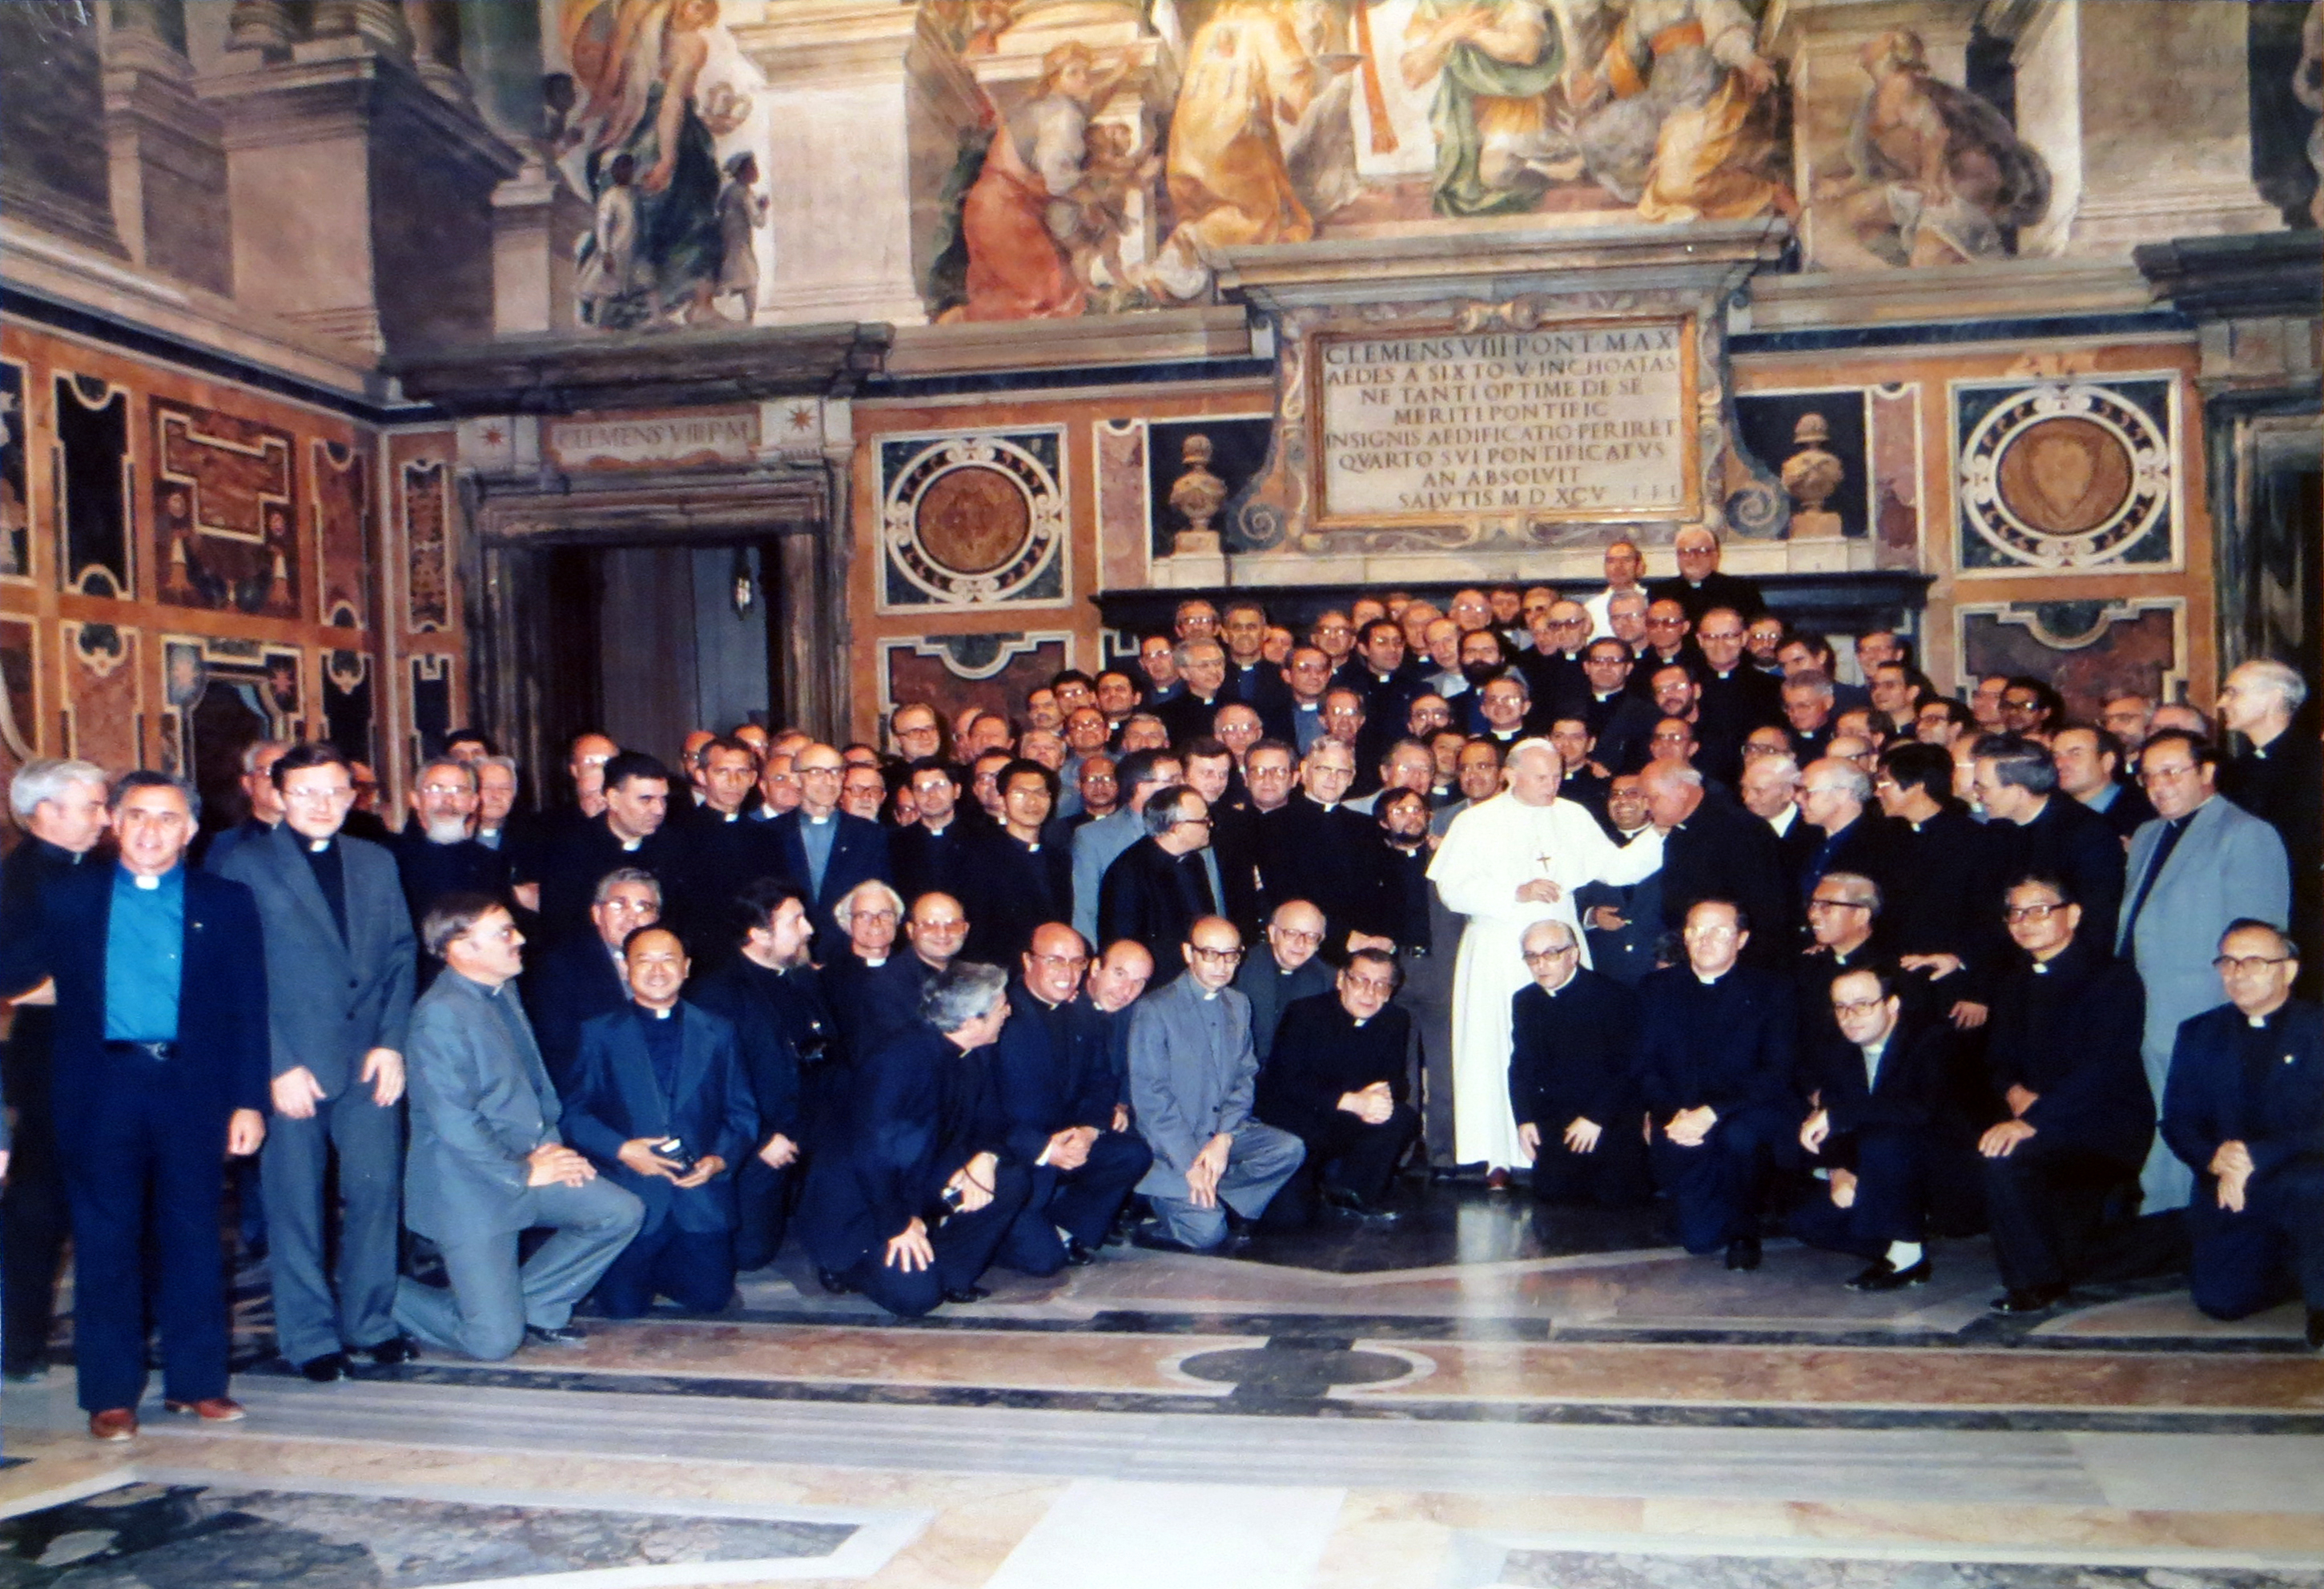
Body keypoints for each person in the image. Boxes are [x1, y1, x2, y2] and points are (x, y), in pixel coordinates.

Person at [0, 771, 268, 1440]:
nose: (151, 831)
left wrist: (247, 1102)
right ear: (115, 823)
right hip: (100, 1089)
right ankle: (110, 1394)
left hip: (191, 1089)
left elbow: (248, 1007)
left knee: (194, 1236)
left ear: (191, 830)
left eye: (168, 818)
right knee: (105, 1239)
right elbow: (10, 968)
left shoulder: (226, 900)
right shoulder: (70, 895)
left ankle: (197, 1384)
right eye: (138, 816)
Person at [214, 742, 417, 1384]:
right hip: (292, 1066)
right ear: (278, 795)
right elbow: (235, 978)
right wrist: (275, 1064)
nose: (322, 804)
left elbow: (401, 955)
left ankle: (370, 1323)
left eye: (335, 791)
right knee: (295, 1205)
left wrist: (391, 1042)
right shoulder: (244, 865)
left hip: (367, 1060)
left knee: (376, 1192)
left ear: (354, 795)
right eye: (305, 792)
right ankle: (308, 1337)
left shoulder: (375, 861)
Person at [392, 896, 645, 1359]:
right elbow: (454, 1122)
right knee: (492, 1342)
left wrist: (551, 1148)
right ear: (461, 948)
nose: (520, 939)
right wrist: (523, 1171)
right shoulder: (440, 1014)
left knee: (618, 1212)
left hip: (524, 1164)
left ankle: (533, 1305)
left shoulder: (500, 990)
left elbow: (534, 1090)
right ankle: (370, 1292)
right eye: (505, 933)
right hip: (469, 1188)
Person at [1430, 740, 1664, 1182]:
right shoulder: (1476, 821)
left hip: (1562, 941)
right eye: (1541, 777)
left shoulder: (1572, 815)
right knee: (1497, 1045)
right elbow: (1451, 890)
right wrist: (1514, 893)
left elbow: (1618, 869)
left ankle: (1562, 1149)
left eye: (1557, 776)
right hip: (1498, 945)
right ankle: (1497, 1154)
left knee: (1574, 1045)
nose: (1552, 785)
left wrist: (1663, 830)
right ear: (1511, 775)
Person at [2117, 729, 2292, 1211]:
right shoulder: (2149, 834)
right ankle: (2160, 1218)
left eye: (2171, 773)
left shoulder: (2246, 833)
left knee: (2193, 1121)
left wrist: (2237, 1010)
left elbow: (2260, 938)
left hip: (2202, 1008)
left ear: (2207, 772)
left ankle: (2179, 1220)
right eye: (2148, 776)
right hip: (2143, 1002)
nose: (2158, 786)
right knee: (2156, 1116)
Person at [798, 963, 1033, 1314]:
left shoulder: (974, 1052)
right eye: (1002, 1006)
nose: (1009, 1012)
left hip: (919, 1178)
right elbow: (871, 1156)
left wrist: (984, 1158)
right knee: (916, 1299)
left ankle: (950, 1276)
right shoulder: (899, 1061)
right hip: (863, 1204)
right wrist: (898, 1225)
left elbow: (992, 1119)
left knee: (1009, 1180)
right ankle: (845, 1268)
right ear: (972, 1022)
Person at [563, 926, 757, 1317]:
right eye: (644, 961)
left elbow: (743, 1113)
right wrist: (621, 1149)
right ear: (625, 969)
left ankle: (669, 1272)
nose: (657, 971)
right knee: (621, 1309)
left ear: (686, 968)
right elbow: (573, 1113)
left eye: (668, 960)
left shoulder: (718, 1031)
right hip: (631, 1194)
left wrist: (718, 1160)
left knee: (710, 1301)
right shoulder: (598, 1033)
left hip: (698, 1196)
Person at [1980, 875, 2153, 1314]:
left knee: (2005, 1157)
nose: (2024, 922)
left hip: (2102, 1127)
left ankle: (2036, 1285)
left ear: (2072, 915)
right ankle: (2047, 1269)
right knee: (2082, 1256)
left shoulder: (2111, 977)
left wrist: (2033, 1119)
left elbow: (2102, 1068)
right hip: (2039, 1121)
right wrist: (2013, 1092)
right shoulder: (2013, 980)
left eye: (2038, 910)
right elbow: (1998, 1057)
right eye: (2015, 913)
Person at [2160, 921, 2324, 1349]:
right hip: (2232, 1189)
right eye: (2228, 962)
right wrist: (2215, 1159)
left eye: (2254, 962)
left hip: (2305, 1181)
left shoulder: (2318, 1029)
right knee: (2221, 1302)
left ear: (2288, 970)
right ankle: (2291, 1269)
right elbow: (2177, 1121)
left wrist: (2258, 1155)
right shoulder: (2199, 1033)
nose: (2238, 973)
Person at [2, 758, 108, 1386]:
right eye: (92, 806)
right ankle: (20, 1345)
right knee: (39, 1209)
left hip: (97, 1056)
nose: (104, 818)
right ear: (45, 812)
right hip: (50, 1061)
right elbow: (16, 980)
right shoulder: (17, 880)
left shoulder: (92, 869)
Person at [1126, 916, 1305, 1251]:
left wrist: (1224, 1136)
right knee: (1207, 1235)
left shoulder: (1238, 1004)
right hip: (1172, 1148)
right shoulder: (1155, 1009)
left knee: (1287, 1149)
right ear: (1188, 953)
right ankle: (1158, 1215)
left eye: (1231, 955)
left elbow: (1245, 1076)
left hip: (1218, 1135)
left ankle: (1218, 1199)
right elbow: (1152, 1100)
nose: (1222, 965)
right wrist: (1190, 1164)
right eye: (1210, 954)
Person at [1636, 899, 1797, 1269]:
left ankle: (1745, 1228)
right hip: (1681, 1115)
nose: (1704, 940)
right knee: (1699, 1241)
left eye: (1718, 931)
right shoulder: (1656, 988)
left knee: (1739, 1137)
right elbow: (1643, 1066)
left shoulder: (1772, 989)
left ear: (1741, 939)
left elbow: (1777, 1071)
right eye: (1695, 930)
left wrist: (1712, 1112)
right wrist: (1671, 1113)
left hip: (1746, 1110)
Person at [988, 924, 1152, 1271]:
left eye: (1076, 962)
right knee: (1044, 1262)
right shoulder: (998, 1015)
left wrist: (1089, 1131)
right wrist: (1045, 1150)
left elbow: (1101, 1081)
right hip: (1017, 1157)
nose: (1067, 973)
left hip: (1067, 1142)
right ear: (1028, 961)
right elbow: (984, 1110)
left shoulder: (1081, 1013)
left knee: (1131, 1153)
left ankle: (1065, 1229)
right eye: (1055, 961)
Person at [690, 879, 830, 1271]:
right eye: (795, 921)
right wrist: (763, 1138)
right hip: (758, 1139)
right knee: (751, 1254)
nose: (809, 930)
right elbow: (710, 1086)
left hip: (810, 1128)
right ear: (759, 934)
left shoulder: (803, 979)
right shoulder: (717, 994)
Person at [1791, 965, 1952, 1290]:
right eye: (1841, 1007)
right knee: (1807, 1223)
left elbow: (1921, 1111)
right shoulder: (1839, 1049)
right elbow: (1834, 1120)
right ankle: (1905, 1240)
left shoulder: (1931, 1039)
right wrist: (1839, 1172)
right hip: (1875, 1166)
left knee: (1886, 1139)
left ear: (1892, 1005)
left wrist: (1837, 1114)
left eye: (1862, 1004)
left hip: (1938, 1164)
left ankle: (1906, 1253)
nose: (1850, 1017)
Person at [1257, 949, 1417, 1222]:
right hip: (1303, 1121)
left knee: (1401, 1118)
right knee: (1292, 1218)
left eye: (1381, 985)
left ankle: (1354, 1191)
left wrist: (1380, 1097)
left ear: (1390, 991)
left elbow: (1398, 1082)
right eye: (1361, 980)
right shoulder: (1304, 1013)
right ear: (1341, 980)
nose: (1369, 992)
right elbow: (1283, 1082)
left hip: (1353, 1119)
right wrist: (1351, 1101)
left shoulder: (1396, 1019)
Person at [1508, 919, 1648, 1206]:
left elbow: (1630, 1067)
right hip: (1561, 1118)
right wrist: (1525, 1119)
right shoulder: (1525, 1001)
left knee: (1617, 1200)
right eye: (1532, 957)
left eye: (1551, 954)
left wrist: (1596, 1117)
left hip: (1610, 1116)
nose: (1540, 965)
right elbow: (1521, 1066)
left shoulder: (1614, 996)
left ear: (1573, 954)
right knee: (1554, 1196)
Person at [1967, 734, 2126, 954]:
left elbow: (2097, 921)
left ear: (2018, 791)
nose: (1978, 796)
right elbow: (1983, 909)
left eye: (1983, 788)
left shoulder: (2087, 834)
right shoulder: (1997, 832)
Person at [1641, 761, 1794, 970]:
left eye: (1652, 798)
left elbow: (1764, 910)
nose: (1646, 806)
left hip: (1740, 963)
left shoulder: (1740, 830)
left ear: (1683, 791)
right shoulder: (1678, 833)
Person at [2217, 660, 2320, 964]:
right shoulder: (2232, 772)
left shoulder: (2315, 763)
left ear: (2275, 697)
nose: (2221, 703)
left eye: (2233, 693)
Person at [525, 868, 661, 1092]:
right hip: (594, 1092)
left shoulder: (668, 963)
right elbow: (558, 1050)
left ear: (655, 919)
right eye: (619, 905)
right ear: (597, 913)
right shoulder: (563, 967)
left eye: (643, 907)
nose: (632, 917)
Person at [529, 750, 686, 945]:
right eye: (646, 799)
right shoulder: (570, 849)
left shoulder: (676, 846)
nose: (659, 810)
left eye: (663, 799)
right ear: (613, 799)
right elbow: (561, 926)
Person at [766, 742, 894, 962]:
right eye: (817, 772)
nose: (828, 781)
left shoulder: (870, 835)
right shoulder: (769, 833)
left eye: (835, 772)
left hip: (850, 956)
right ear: (796, 778)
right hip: (788, 956)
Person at [1255, 740, 1378, 952]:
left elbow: (1375, 894)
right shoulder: (1273, 825)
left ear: (1352, 778)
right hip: (1303, 944)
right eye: (1324, 769)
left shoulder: (1367, 827)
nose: (1333, 778)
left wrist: (1377, 938)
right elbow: (1283, 894)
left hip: (1363, 946)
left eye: (1342, 771)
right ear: (1305, 770)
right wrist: (1342, 937)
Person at [1100, 785, 1220, 983]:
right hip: (1155, 984)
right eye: (1203, 820)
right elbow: (1123, 945)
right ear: (1176, 828)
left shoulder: (1193, 861)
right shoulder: (1129, 872)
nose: (1211, 824)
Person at [960, 759, 1075, 964]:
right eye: (1021, 793)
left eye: (1040, 793)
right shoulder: (979, 856)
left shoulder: (1059, 858)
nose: (1032, 802)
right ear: (1002, 800)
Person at [396, 758, 510, 948]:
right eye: (435, 789)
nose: (448, 801)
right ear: (415, 799)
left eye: (459, 790)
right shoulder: (389, 860)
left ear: (473, 802)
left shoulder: (491, 863)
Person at [1071, 748, 1181, 946]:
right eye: (1173, 780)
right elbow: (1085, 910)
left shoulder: (1191, 829)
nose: (1182, 787)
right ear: (1141, 787)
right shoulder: (1093, 837)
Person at [1232, 898, 1334, 1067]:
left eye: (1311, 936)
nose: (1300, 943)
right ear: (1272, 933)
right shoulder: (1239, 969)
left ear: (1320, 941)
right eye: (1292, 933)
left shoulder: (1328, 981)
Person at [199, 738, 291, 873]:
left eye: (287, 772)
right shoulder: (227, 845)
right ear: (248, 783)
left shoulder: (315, 836)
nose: (279, 780)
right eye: (269, 772)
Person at [2052, 725, 2154, 844]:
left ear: (2107, 762)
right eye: (2055, 756)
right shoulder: (2052, 814)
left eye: (2075, 754)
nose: (2060, 764)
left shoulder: (2145, 814)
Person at [892, 758, 971, 903]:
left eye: (939, 786)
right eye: (921, 788)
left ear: (957, 791)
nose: (931, 795)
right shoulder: (896, 843)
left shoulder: (983, 839)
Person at [1584, 539, 1647, 639]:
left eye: (1626, 560)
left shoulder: (1652, 600)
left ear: (1639, 566)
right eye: (1611, 561)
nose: (1618, 566)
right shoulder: (1591, 609)